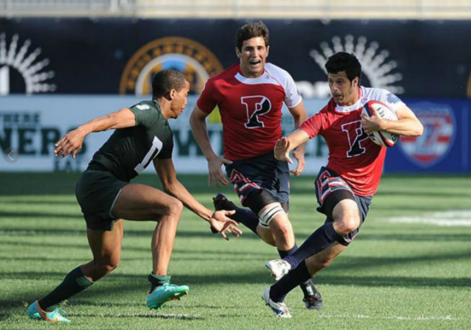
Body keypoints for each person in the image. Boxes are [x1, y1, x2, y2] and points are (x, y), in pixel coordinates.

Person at [27, 69, 242, 323]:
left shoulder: (165, 134)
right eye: (185, 95)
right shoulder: (148, 111)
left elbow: (171, 183)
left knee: (105, 263)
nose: (187, 102)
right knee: (170, 207)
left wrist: (209, 216)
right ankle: (158, 284)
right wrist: (82, 131)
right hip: (100, 182)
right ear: (172, 93)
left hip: (101, 189)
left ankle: (43, 307)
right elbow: (113, 118)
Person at [262, 52, 424, 318]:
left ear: (355, 81)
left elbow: (416, 127)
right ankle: (288, 261)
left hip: (364, 194)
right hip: (333, 179)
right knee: (348, 220)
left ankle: (275, 293)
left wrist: (382, 124)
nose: (334, 88)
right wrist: (286, 146)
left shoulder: (380, 100)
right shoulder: (327, 115)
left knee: (322, 259)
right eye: (330, 82)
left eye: (340, 82)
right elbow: (302, 133)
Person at [189, 21, 322, 310]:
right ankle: (306, 289)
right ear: (238, 51)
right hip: (242, 167)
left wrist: (299, 149)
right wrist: (212, 156)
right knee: (283, 228)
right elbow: (196, 118)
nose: (255, 54)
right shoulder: (219, 84)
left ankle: (235, 212)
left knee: (272, 232)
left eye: (260, 48)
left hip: (276, 163)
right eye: (249, 48)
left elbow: (301, 115)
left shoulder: (281, 78)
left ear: (267, 50)